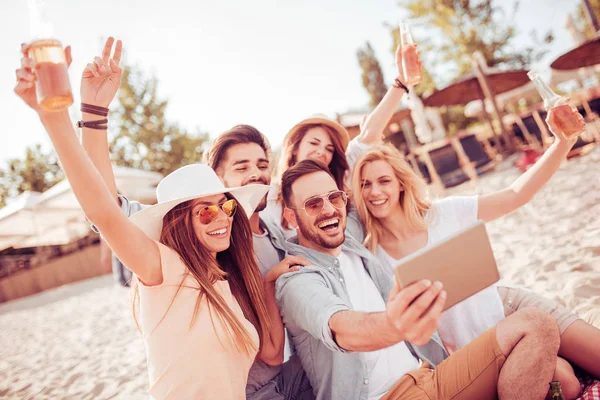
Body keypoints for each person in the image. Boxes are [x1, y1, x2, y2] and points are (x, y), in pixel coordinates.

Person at [14, 40, 277, 399]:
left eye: (226, 206)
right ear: (181, 223)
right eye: (205, 210)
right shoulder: (163, 268)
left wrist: (269, 284)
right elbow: (104, 210)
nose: (222, 218)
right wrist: (65, 114)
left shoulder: (225, 278)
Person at [78, 38, 314, 400]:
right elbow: (105, 209)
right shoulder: (173, 253)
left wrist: (268, 281)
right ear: (217, 175)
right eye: (242, 166)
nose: (255, 174)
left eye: (263, 165)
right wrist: (94, 116)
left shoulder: (267, 234)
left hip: (288, 379)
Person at [275, 159, 562, 400]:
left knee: (541, 334)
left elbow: (370, 163)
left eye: (334, 197)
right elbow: (340, 328)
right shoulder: (297, 279)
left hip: (431, 374)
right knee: (542, 341)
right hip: (388, 395)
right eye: (313, 204)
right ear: (290, 217)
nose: (328, 209)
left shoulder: (349, 234)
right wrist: (393, 324)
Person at [351, 136, 598, 399]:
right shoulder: (371, 257)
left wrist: (563, 141)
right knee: (566, 385)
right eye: (365, 185)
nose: (374, 192)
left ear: (400, 183)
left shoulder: (443, 212)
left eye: (384, 181)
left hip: (509, 305)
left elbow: (516, 195)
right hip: (477, 353)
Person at [261, 44, 421, 236]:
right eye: (313, 143)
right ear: (294, 148)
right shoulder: (270, 195)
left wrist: (401, 82)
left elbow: (370, 132)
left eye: (329, 148)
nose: (321, 151)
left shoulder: (343, 178)